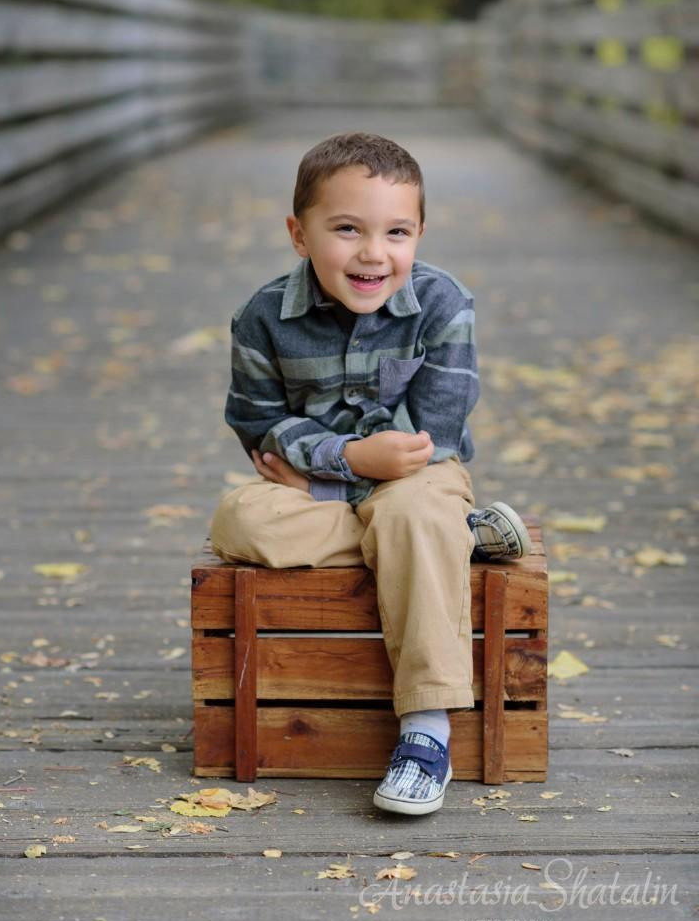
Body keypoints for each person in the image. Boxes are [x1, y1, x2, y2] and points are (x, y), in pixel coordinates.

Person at [210, 132, 531, 816]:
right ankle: (457, 541)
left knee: (411, 511)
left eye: (396, 232)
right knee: (240, 518)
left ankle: (427, 726)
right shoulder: (263, 317)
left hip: (422, 478)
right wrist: (350, 463)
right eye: (346, 229)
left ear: (420, 234)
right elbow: (257, 423)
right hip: (327, 485)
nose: (372, 253)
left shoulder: (444, 305)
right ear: (300, 234)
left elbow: (432, 436)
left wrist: (330, 473)